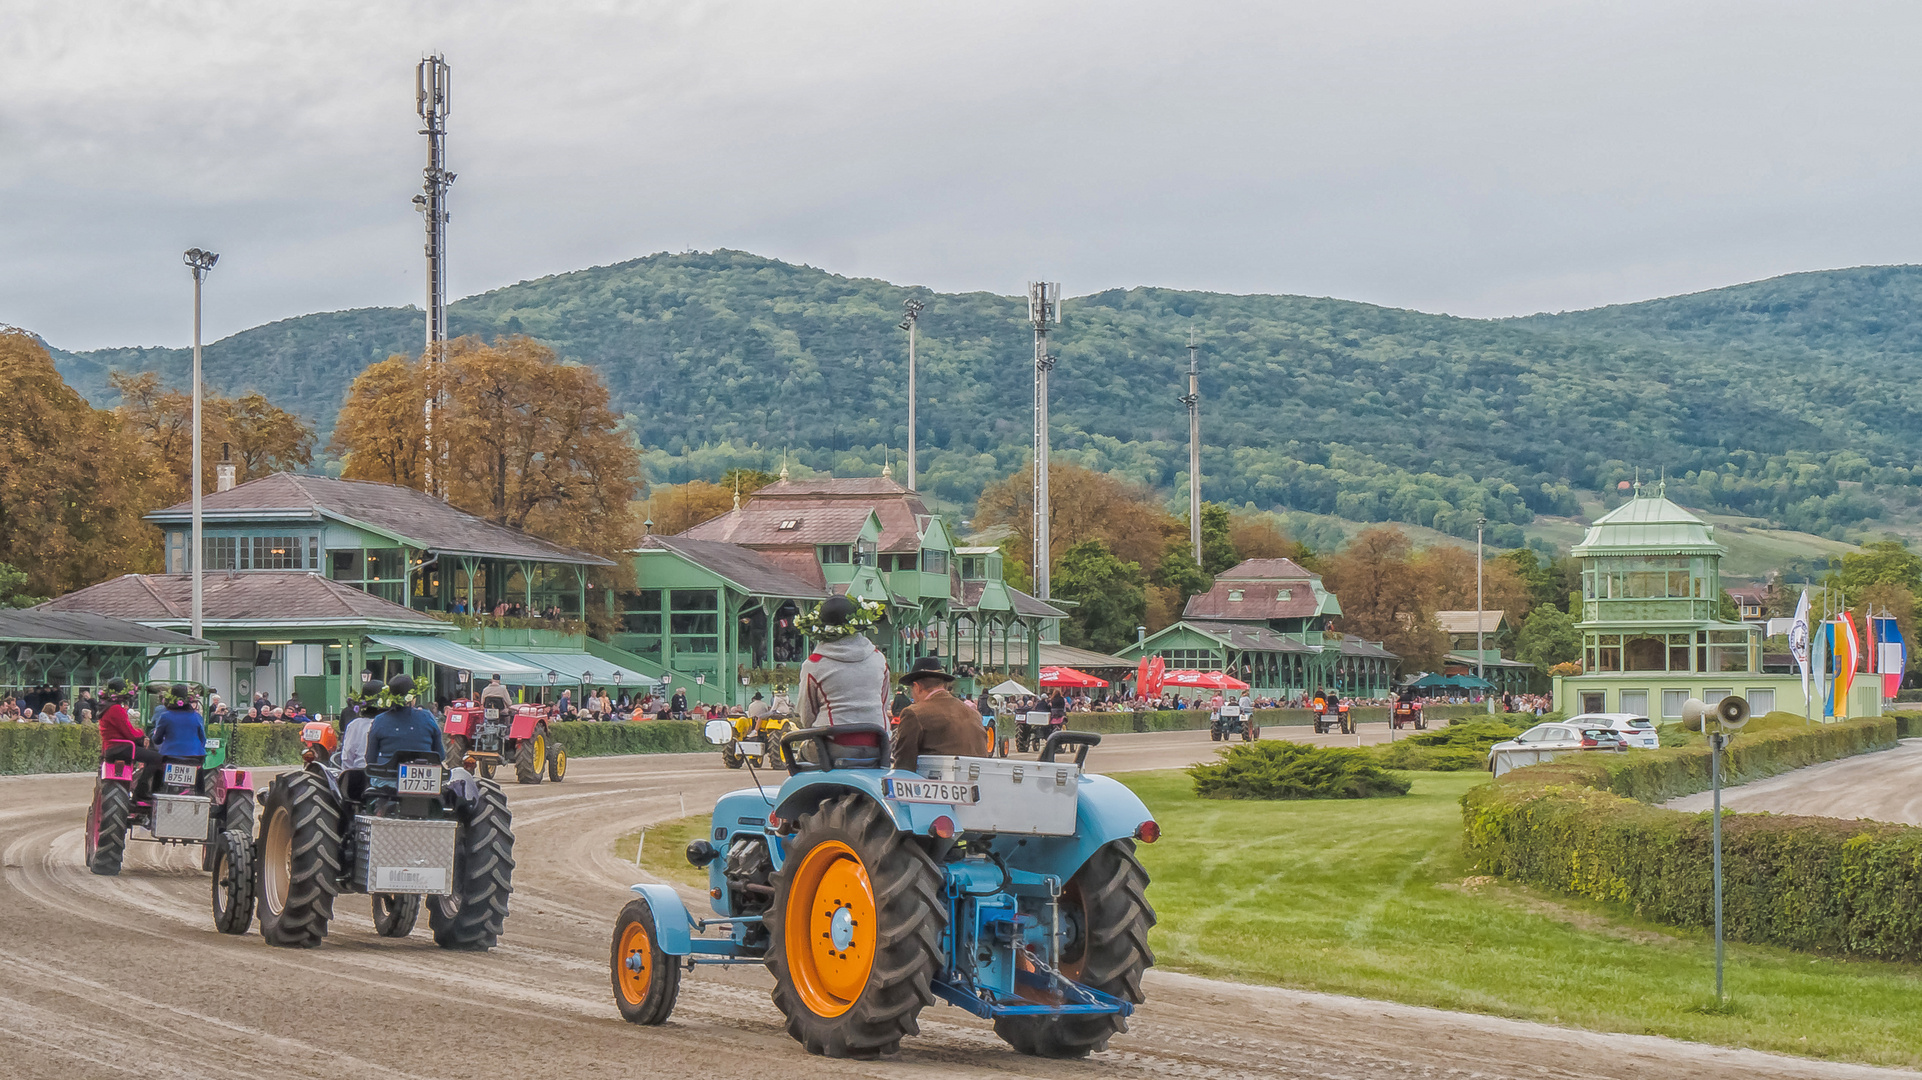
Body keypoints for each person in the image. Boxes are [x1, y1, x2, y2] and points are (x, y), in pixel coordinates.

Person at [797, 595, 890, 734]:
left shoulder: (814, 664)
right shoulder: (879, 659)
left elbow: (806, 714)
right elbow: (884, 702)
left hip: (832, 741)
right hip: (877, 740)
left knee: (802, 752)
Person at [891, 658, 989, 768]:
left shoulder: (914, 713)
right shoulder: (974, 714)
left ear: (917, 687)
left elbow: (904, 766)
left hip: (936, 783)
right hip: (976, 782)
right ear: (943, 685)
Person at [366, 674, 444, 771]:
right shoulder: (427, 717)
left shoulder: (379, 720)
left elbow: (370, 759)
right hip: (423, 778)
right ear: (412, 698)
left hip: (387, 778)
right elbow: (440, 755)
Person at [143, 684, 207, 800]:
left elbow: (157, 739)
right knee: (200, 774)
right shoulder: (197, 717)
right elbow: (203, 739)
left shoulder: (165, 716)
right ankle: (201, 798)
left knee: (157, 770)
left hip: (170, 756)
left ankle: (154, 796)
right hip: (194, 757)